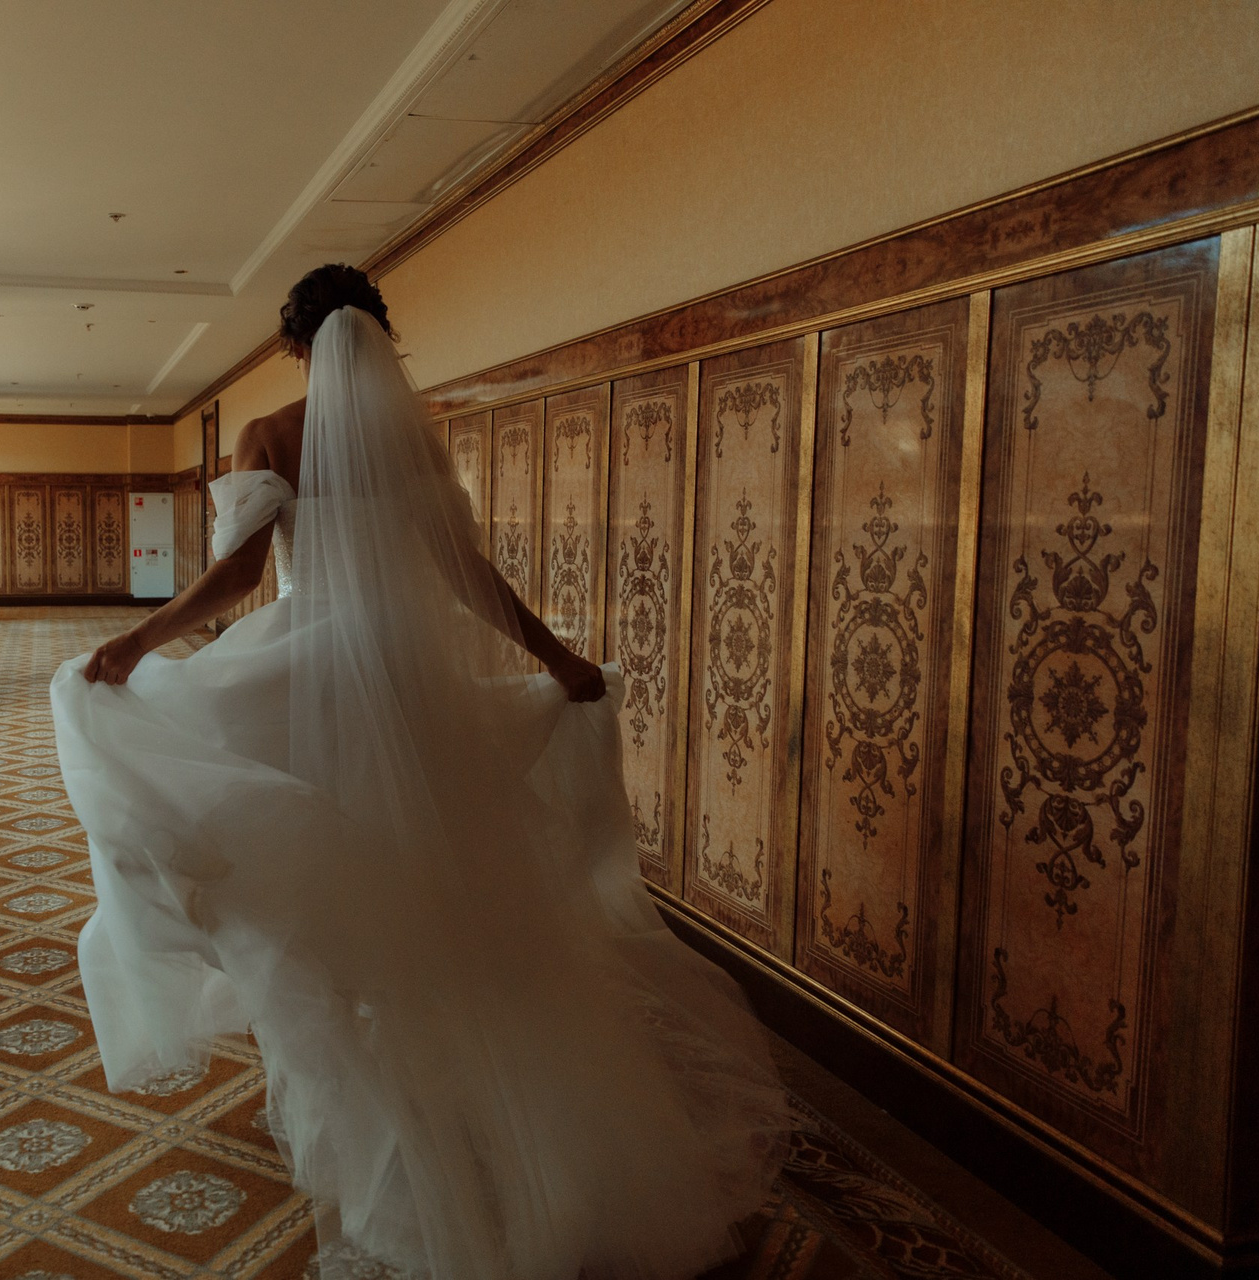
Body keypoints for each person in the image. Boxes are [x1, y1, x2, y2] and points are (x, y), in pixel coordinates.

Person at [50, 265, 788, 1280]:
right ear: (378, 335)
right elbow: (465, 574)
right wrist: (557, 659)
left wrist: (140, 642)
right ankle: (474, 1106)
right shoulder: (415, 437)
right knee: (437, 883)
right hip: (408, 677)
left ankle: (372, 1092)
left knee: (291, 858)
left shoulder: (268, 433)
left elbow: (240, 575)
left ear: (299, 346)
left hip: (304, 670)